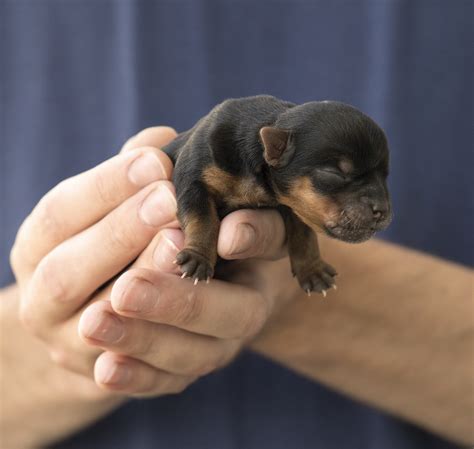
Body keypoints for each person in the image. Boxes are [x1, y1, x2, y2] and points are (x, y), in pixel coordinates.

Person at [1, 2, 472, 449]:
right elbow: (194, 195)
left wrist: (283, 292)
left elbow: (295, 215)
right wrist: (57, 337)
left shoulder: (287, 176)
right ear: (274, 150)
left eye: (379, 180)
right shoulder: (222, 147)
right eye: (341, 178)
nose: (379, 207)